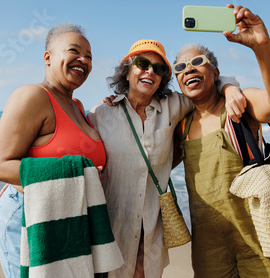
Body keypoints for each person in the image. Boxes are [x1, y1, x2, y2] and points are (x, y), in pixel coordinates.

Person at [87, 39, 244, 278]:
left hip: (152, 230)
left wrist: (230, 88)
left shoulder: (175, 105)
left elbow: (206, 85)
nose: (151, 71)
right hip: (112, 226)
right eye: (143, 64)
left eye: (159, 69)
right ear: (128, 71)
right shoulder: (99, 115)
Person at [174, 5, 270, 277]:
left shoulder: (238, 106)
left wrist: (261, 46)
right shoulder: (181, 125)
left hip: (260, 238)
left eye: (198, 62)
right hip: (209, 249)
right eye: (180, 67)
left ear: (215, 73)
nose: (188, 69)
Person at [0, 24, 108, 278]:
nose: (83, 60)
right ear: (48, 57)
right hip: (29, 213)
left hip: (67, 212)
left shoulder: (77, 105)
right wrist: (75, 176)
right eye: (74, 51)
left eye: (89, 56)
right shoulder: (32, 96)